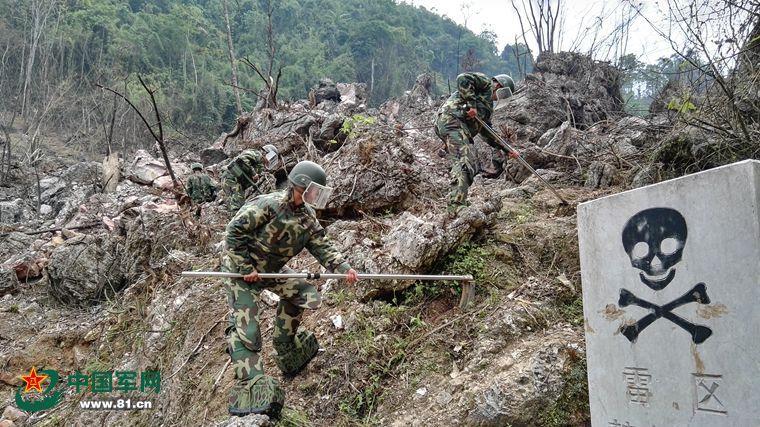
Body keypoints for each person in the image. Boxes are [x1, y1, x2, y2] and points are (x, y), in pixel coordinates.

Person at [222, 160, 359, 417]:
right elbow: (234, 231)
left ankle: (286, 349)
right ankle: (249, 382)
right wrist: (244, 266)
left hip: (271, 270)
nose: (317, 196)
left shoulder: (307, 218)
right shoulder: (269, 205)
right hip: (243, 271)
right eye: (315, 190)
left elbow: (322, 245)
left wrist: (344, 268)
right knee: (247, 329)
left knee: (304, 294)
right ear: (301, 185)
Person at [434, 72, 519, 218]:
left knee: (471, 165)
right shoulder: (485, 83)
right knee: (464, 162)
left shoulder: (486, 109)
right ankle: (456, 206)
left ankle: (459, 200)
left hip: (457, 127)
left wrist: (507, 149)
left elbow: (487, 132)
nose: (500, 98)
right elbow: (462, 78)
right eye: (502, 93)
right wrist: (471, 105)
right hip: (452, 121)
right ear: (498, 85)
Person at [221, 144, 280, 214]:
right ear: (267, 153)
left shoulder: (260, 165)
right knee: (238, 206)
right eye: (271, 157)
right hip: (231, 178)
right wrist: (253, 173)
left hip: (234, 180)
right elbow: (242, 159)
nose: (271, 161)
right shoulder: (257, 154)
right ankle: (237, 222)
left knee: (236, 204)